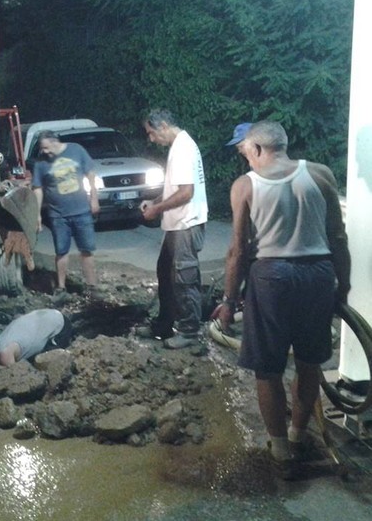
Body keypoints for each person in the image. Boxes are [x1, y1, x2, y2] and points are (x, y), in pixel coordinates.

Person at [212, 120, 351, 478]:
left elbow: (237, 250)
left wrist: (229, 300)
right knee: (309, 364)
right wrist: (343, 288)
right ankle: (298, 434)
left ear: (257, 149)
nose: (247, 161)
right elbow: (338, 237)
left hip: (271, 278)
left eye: (246, 153)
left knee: (268, 368)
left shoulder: (245, 186)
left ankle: (280, 449)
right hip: (318, 274)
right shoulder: (320, 174)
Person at [139, 109, 209, 349]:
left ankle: (189, 332)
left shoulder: (182, 149)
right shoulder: (181, 146)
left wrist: (156, 210)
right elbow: (175, 189)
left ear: (164, 126)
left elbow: (186, 193)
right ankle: (164, 325)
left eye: (151, 133)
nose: (151, 139)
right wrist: (156, 201)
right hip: (178, 224)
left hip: (185, 224)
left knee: (184, 279)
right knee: (166, 274)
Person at [31, 130, 100, 302]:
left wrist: (94, 198)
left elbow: (91, 175)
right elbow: (37, 189)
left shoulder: (76, 150)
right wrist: (37, 214)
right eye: (42, 148)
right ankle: (61, 288)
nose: (44, 151)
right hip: (58, 215)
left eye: (46, 147)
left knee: (87, 250)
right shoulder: (41, 163)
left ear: (55, 142)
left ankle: (92, 287)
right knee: (61, 251)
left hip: (81, 211)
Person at [0, 308, 74, 366]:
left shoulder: (4, 354)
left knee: (42, 364)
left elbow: (16, 376)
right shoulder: (0, 339)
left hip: (60, 327)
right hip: (51, 314)